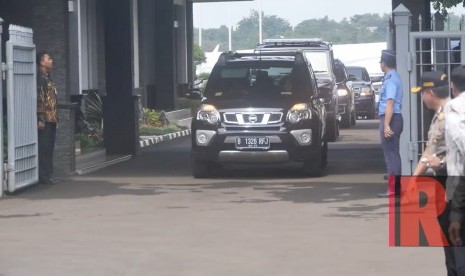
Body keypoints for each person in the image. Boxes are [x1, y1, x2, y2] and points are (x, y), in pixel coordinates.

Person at [410, 71, 457, 275]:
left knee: (456, 243)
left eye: (422, 93)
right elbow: (430, 149)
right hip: (444, 187)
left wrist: (443, 162)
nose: (421, 97)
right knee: (449, 244)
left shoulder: (453, 116)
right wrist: (413, 181)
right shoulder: (440, 115)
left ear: (429, 92)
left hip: (456, 185)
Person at [445, 65, 465, 275]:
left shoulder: (453, 109)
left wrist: (457, 212)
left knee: (458, 254)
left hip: (460, 189)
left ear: (453, 86)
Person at [377, 50, 403, 197]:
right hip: (393, 118)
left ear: (384, 63)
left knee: (391, 154)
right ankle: (395, 187)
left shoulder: (391, 79)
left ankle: (394, 189)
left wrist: (386, 124)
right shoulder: (391, 77)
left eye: (381, 62)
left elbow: (390, 102)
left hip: (391, 118)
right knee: (393, 153)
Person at [37, 52, 58, 185]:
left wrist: (57, 119)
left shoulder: (48, 78)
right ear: (41, 62)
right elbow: (39, 99)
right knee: (44, 148)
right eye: (49, 58)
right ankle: (43, 176)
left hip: (52, 119)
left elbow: (53, 100)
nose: (51, 60)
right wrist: (40, 118)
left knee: (49, 147)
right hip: (45, 119)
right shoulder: (40, 79)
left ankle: (48, 175)